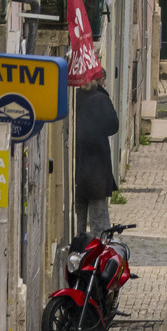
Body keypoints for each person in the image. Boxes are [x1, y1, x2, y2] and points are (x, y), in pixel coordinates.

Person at [74, 70, 120, 238]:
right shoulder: (100, 100)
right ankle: (99, 255)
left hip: (77, 168)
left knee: (77, 221)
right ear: (100, 80)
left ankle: (77, 253)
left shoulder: (75, 97)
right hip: (96, 171)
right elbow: (113, 126)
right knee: (99, 223)